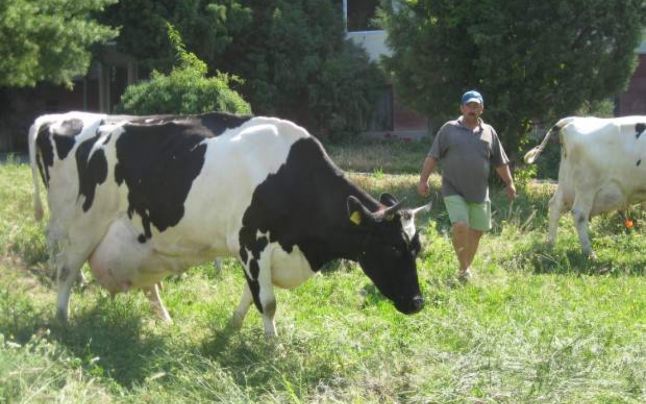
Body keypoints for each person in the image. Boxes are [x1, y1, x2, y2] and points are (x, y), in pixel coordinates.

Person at [417, 90, 516, 281]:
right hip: (453, 188)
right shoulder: (449, 129)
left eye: (476, 106)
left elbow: (500, 162)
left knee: (477, 232)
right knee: (461, 226)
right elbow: (433, 156)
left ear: (482, 109)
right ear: (461, 108)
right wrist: (423, 180)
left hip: (479, 192)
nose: (472, 109)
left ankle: (465, 268)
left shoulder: (489, 132)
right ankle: (464, 270)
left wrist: (509, 183)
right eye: (469, 105)